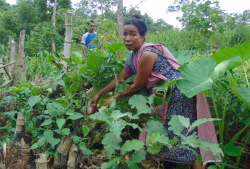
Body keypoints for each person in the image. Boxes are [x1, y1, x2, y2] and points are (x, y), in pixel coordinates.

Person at [90, 17, 220, 169]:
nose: (127, 39)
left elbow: (138, 85)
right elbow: (120, 77)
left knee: (184, 138)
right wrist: (100, 94)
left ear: (142, 36)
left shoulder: (147, 53)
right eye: (125, 34)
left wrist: (116, 97)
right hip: (167, 94)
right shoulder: (133, 57)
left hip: (178, 93)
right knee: (173, 136)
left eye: (133, 34)